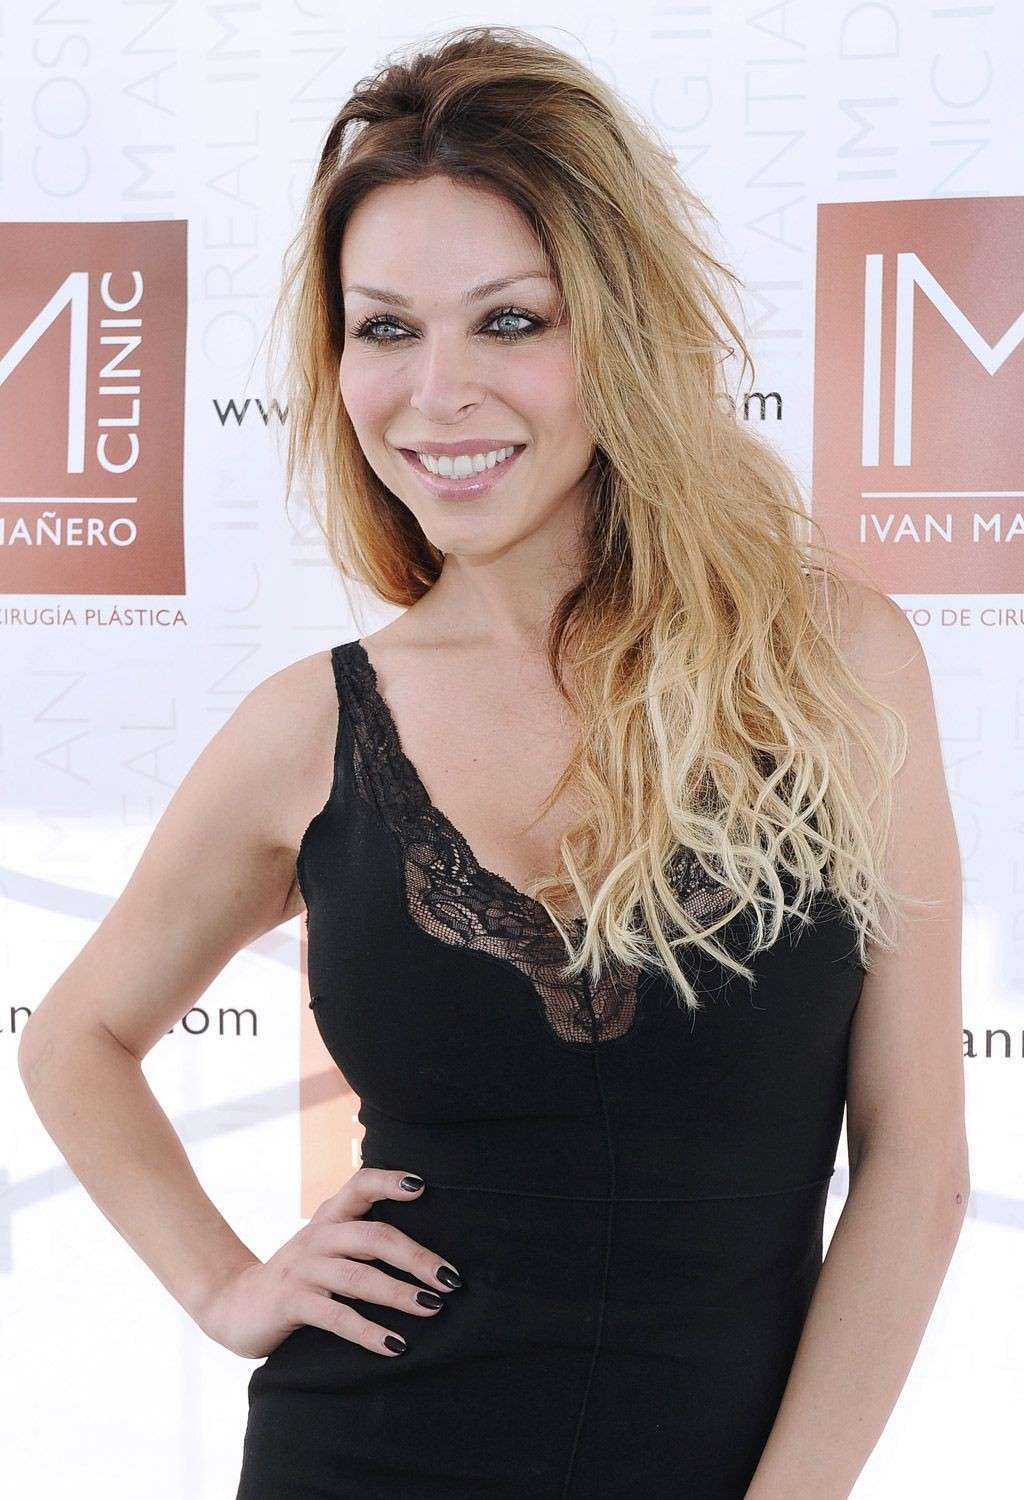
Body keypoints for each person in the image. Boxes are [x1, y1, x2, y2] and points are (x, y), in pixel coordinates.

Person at [19, 23, 968, 1500]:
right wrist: (223, 1285)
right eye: (385, 329)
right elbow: (72, 1038)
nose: (437, 392)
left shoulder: (834, 663)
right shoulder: (309, 726)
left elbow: (915, 1169)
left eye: (511, 321)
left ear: (623, 331)